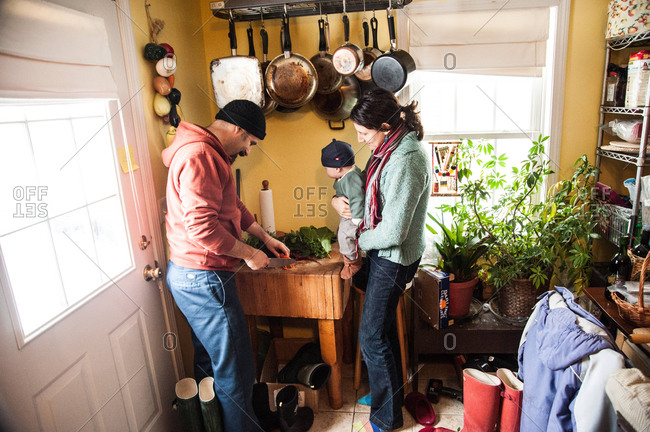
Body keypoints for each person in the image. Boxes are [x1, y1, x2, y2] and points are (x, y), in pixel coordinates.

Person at [162, 100, 291, 432]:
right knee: (235, 370)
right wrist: (249, 253)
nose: (249, 151)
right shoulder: (200, 156)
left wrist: (263, 236)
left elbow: (230, 202)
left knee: (210, 362)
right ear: (237, 129)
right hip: (205, 278)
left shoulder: (208, 150)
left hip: (193, 275)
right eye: (250, 142)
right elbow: (202, 228)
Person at [333, 88, 432, 431]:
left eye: (364, 133)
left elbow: (393, 233)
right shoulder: (388, 149)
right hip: (382, 251)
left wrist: (358, 236)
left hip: (394, 255)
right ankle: (387, 393)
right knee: (384, 327)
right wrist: (340, 203)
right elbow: (365, 190)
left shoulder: (407, 159)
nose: (360, 141)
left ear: (386, 127)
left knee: (371, 336)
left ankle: (386, 418)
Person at [321, 138, 365, 279]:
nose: (326, 171)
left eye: (326, 167)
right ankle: (351, 256)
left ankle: (353, 262)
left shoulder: (351, 179)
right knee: (341, 233)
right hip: (347, 214)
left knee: (345, 235)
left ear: (337, 168)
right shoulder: (345, 175)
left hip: (354, 217)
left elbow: (358, 197)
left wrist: (357, 220)